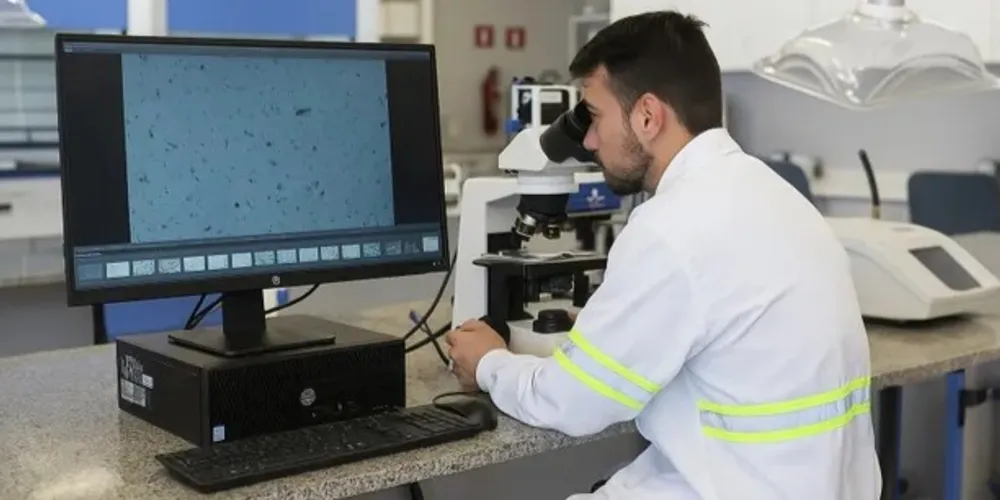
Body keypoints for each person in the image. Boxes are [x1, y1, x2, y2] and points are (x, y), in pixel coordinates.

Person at [445, 10, 881, 500]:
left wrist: (488, 363)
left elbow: (573, 404)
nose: (587, 140)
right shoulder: (780, 197)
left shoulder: (671, 227)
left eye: (594, 115)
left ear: (648, 115)